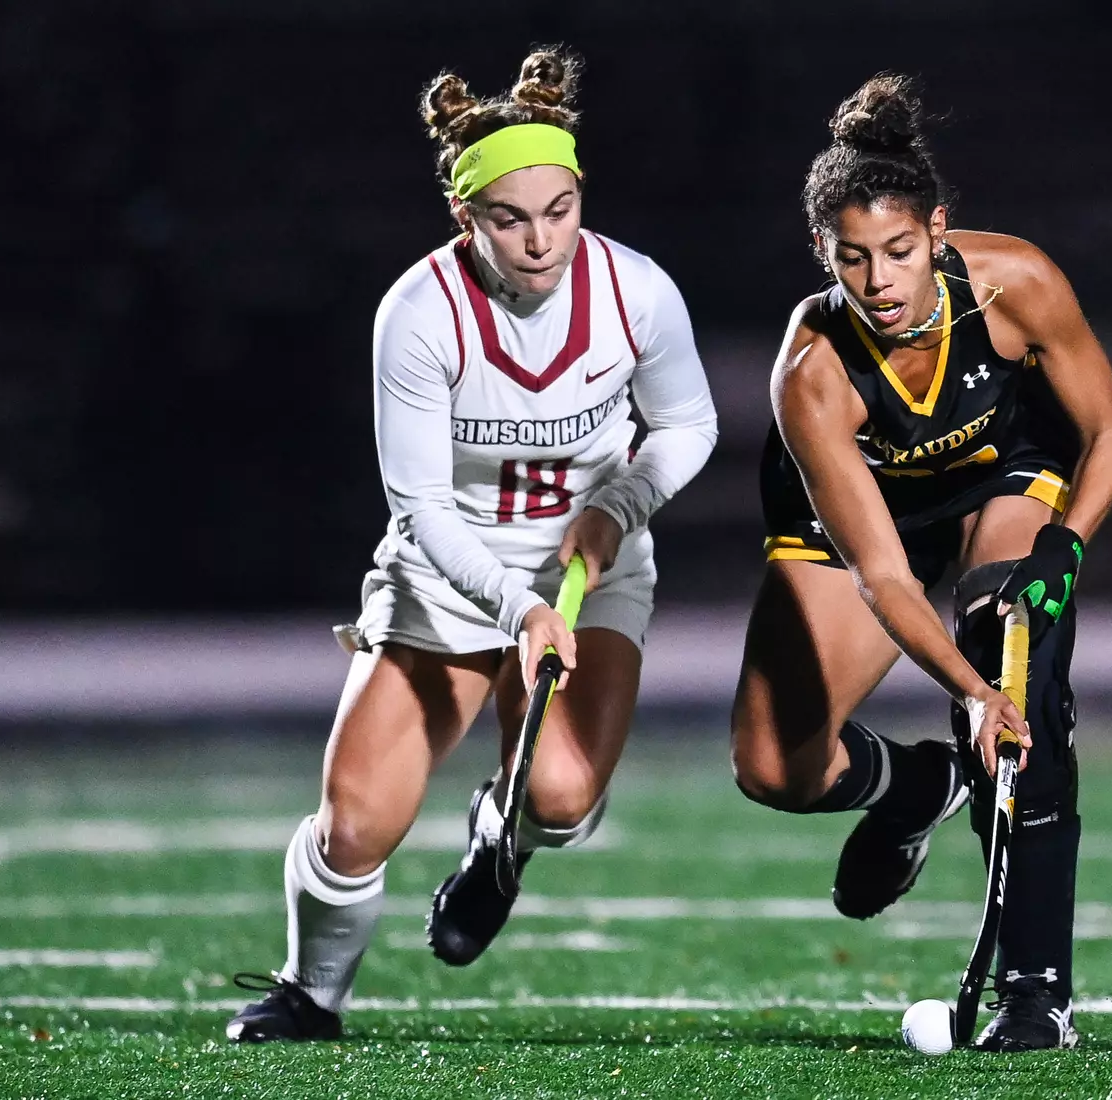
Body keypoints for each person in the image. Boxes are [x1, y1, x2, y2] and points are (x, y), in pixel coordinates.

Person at [226, 47, 718, 1042]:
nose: (541, 240)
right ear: (465, 218)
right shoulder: (417, 315)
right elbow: (421, 509)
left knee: (565, 798)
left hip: (587, 565)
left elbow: (687, 427)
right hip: (451, 573)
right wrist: (517, 607)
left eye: (559, 210)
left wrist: (619, 506)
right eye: (508, 217)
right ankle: (309, 994)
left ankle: (502, 831)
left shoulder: (639, 292)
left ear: (581, 196)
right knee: (355, 823)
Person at [730, 74, 1112, 1052]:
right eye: (854, 259)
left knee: (1013, 656)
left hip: (1005, 475)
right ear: (819, 253)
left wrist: (1061, 553)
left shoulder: (1017, 284)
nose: (881, 284)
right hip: (873, 525)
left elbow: (1110, 428)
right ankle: (918, 786)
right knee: (773, 766)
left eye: (901, 252)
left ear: (940, 233)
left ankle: (1036, 994)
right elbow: (883, 579)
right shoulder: (811, 376)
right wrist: (967, 697)